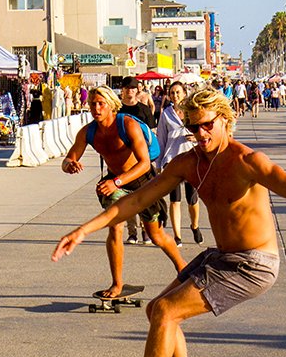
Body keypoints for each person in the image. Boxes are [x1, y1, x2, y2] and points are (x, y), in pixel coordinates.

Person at [53, 88, 286, 357]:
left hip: (253, 264)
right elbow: (136, 201)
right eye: (193, 128)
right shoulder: (189, 163)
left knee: (167, 312)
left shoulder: (247, 161)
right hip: (221, 257)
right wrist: (83, 230)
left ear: (226, 121)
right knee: (157, 309)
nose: (200, 134)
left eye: (207, 126)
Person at [60, 86, 185, 298]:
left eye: (101, 104)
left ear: (111, 105)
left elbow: (145, 164)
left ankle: (184, 270)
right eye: (92, 104)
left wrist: (117, 181)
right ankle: (117, 284)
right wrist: (69, 165)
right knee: (115, 227)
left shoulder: (128, 125)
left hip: (142, 182)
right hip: (115, 183)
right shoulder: (89, 132)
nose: (96, 109)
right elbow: (69, 158)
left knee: (156, 235)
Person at [156, 81, 204, 247]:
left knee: (192, 200)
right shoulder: (166, 114)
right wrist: (159, 163)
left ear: (184, 93)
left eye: (177, 92)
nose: (174, 96)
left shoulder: (193, 111)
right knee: (174, 200)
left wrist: (196, 138)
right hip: (172, 160)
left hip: (192, 159)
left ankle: (195, 225)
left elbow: (204, 132)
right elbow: (161, 139)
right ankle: (177, 236)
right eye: (172, 93)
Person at [120, 77, 156, 245]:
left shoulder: (144, 110)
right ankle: (132, 232)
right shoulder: (117, 110)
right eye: (127, 88)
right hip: (122, 160)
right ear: (123, 90)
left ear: (137, 90)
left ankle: (145, 230)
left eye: (133, 88)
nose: (130, 91)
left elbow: (152, 133)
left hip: (143, 159)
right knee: (126, 197)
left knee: (143, 195)